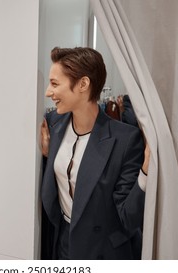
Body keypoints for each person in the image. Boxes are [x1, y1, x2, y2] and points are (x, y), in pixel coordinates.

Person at [40, 47, 149, 260]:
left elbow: (128, 217)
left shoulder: (125, 140)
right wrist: (47, 155)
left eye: (54, 84)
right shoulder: (54, 125)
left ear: (83, 84)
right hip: (64, 245)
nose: (47, 92)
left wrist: (145, 172)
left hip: (104, 252)